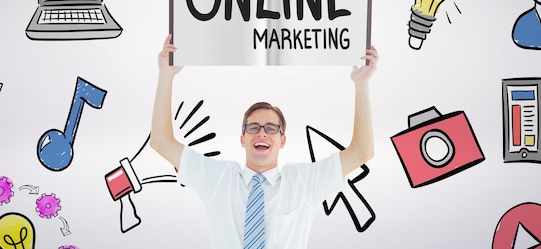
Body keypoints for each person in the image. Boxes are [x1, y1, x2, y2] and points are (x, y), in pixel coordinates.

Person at [150, 34, 378, 249]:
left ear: (282, 140)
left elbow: (362, 152)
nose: (261, 133)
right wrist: (166, 75)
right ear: (242, 139)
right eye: (253, 128)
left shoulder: (304, 182)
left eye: (271, 128)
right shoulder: (218, 178)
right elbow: (161, 142)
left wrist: (362, 85)